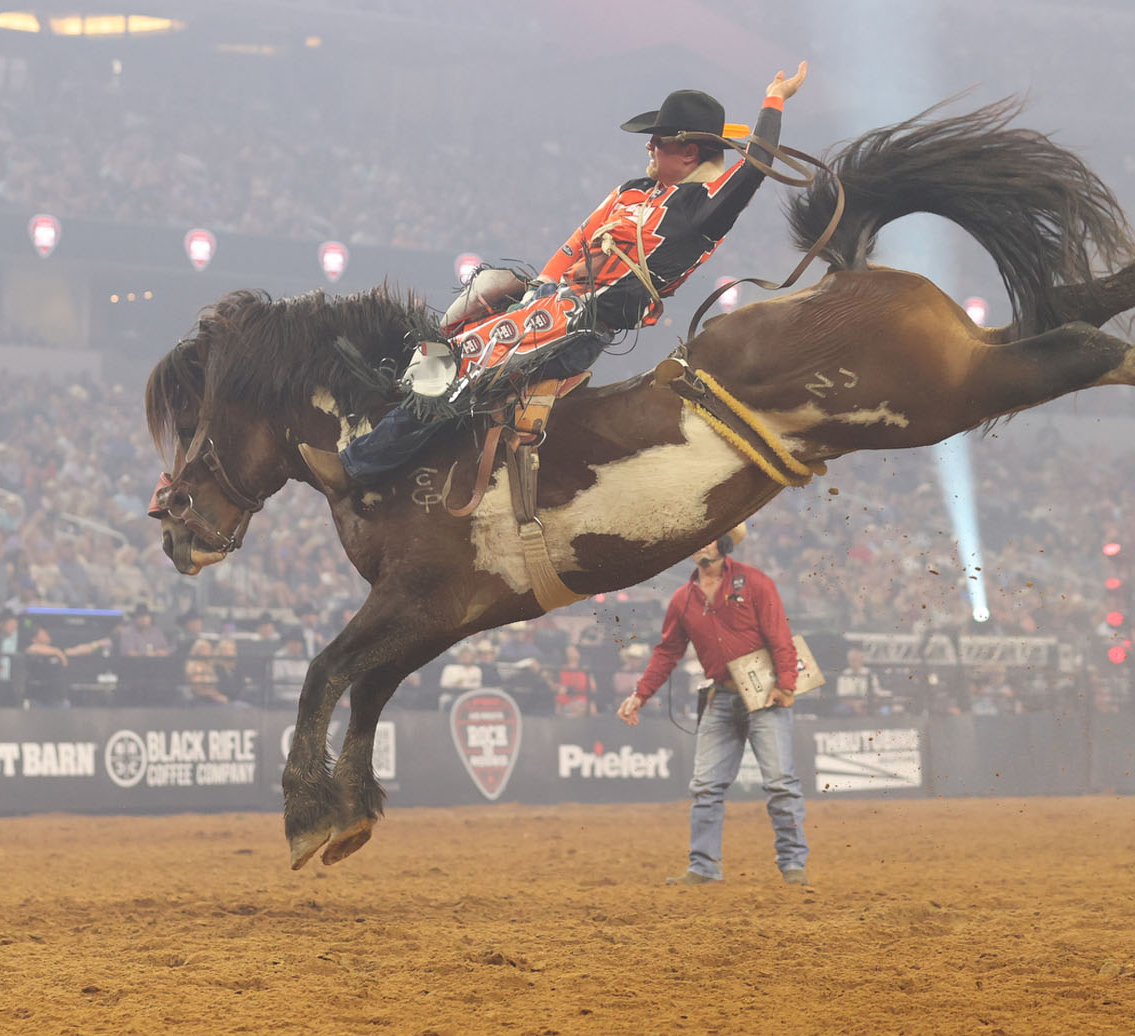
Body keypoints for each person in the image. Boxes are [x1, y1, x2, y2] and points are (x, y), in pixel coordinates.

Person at [301, 62, 809, 493]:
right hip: (550, 303)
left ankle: (357, 467)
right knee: (450, 326)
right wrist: (538, 288)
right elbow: (574, 244)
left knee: (462, 363)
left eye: (657, 142)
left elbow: (755, 168)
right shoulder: (632, 191)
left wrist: (774, 100)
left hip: (581, 326)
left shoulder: (703, 212)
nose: (649, 149)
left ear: (688, 153)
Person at [617, 524, 809, 886]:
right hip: (722, 694)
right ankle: (704, 867)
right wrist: (640, 694)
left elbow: (780, 636)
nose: (701, 544)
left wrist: (786, 684)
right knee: (706, 785)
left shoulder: (755, 583)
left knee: (780, 783)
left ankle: (793, 863)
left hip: (764, 693)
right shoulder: (682, 599)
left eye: (708, 537)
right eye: (697, 539)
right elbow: (667, 652)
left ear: (723, 542)